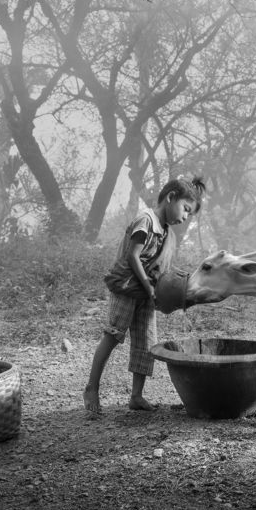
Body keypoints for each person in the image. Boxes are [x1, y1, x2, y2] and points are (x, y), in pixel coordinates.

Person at [83, 176, 206, 417]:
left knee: (145, 344)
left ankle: (136, 396)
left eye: (189, 215)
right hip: (127, 287)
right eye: (185, 209)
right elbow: (133, 256)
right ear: (171, 197)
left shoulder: (167, 232)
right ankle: (92, 388)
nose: (184, 217)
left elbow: (162, 269)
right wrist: (149, 289)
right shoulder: (146, 220)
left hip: (147, 294)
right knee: (113, 335)